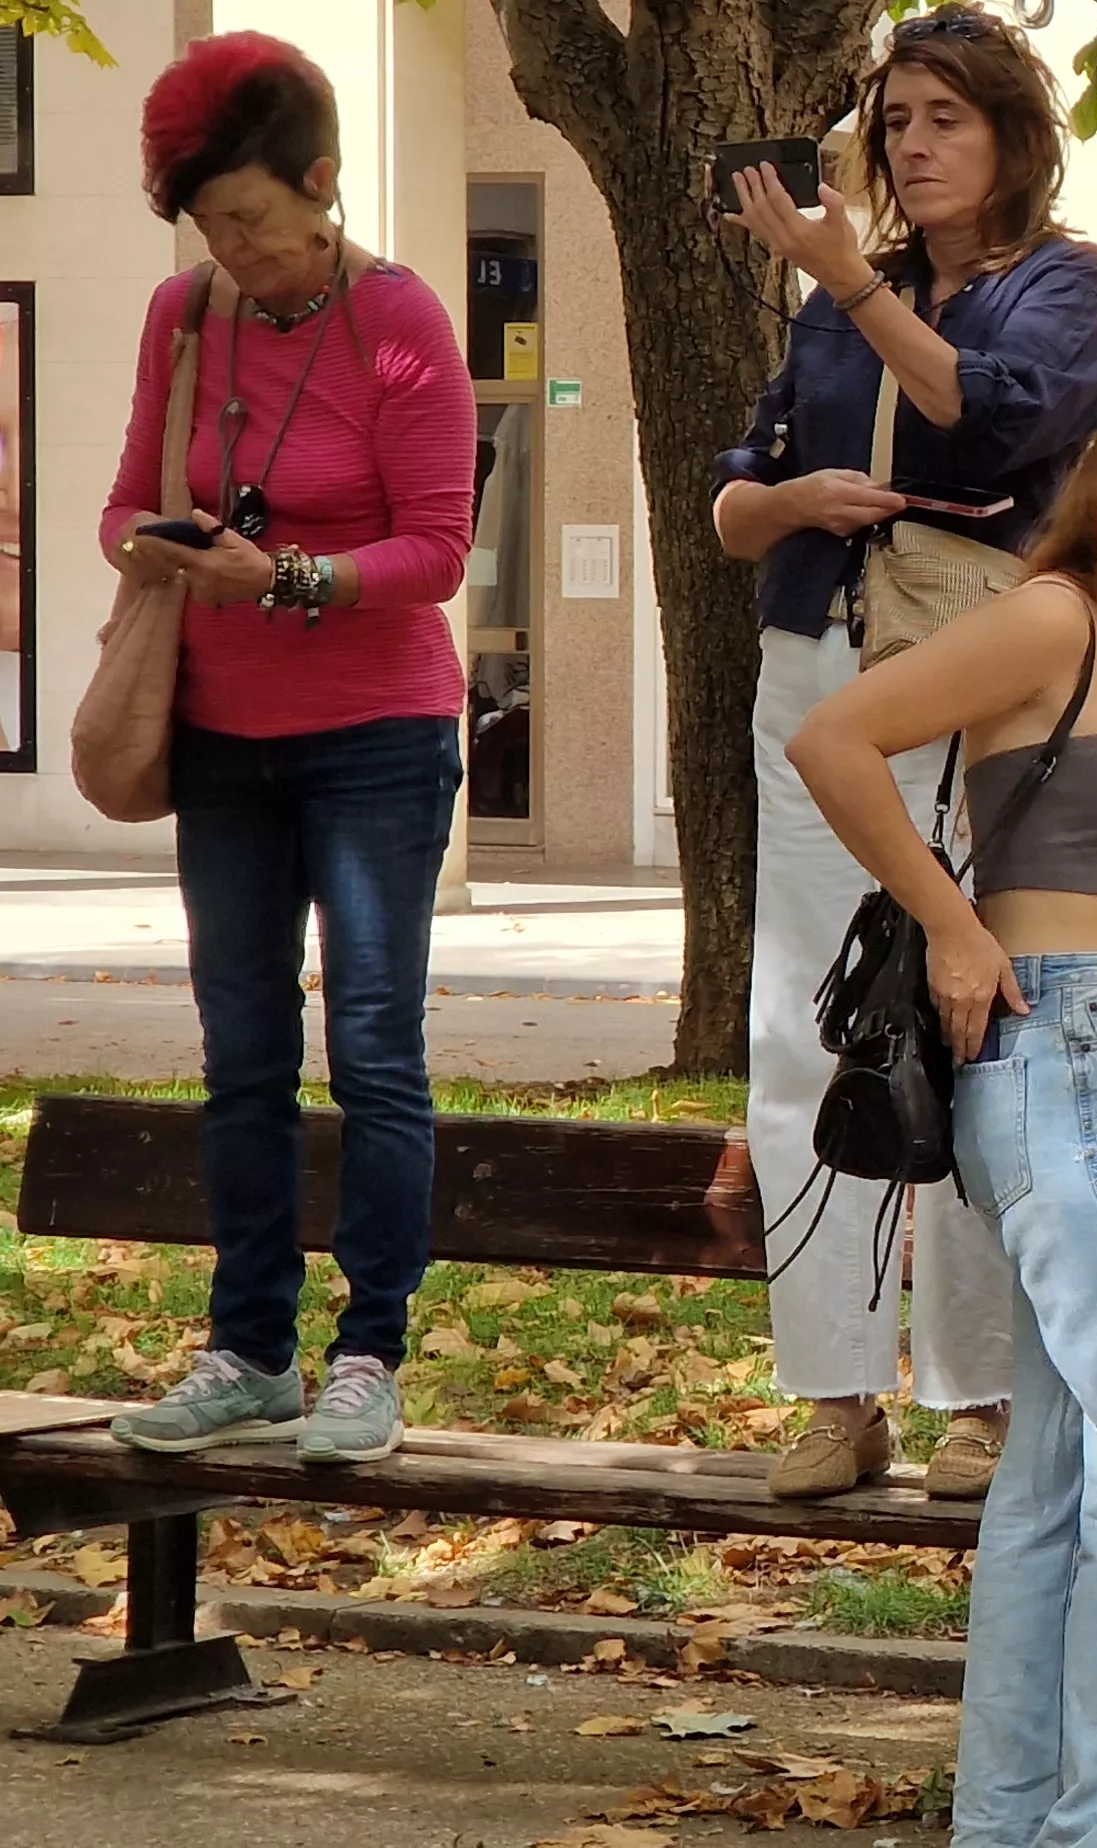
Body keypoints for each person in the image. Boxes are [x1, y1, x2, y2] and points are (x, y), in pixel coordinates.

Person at [789, 386, 1097, 1848]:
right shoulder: (1054, 619)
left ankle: (1011, 1829)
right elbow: (834, 740)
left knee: (1065, 1480)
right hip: (1065, 1054)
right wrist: (950, 925)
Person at [714, 0, 1097, 1501]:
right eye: (897, 122)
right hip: (812, 668)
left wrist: (853, 290)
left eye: (947, 119)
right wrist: (789, 502)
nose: (916, 144)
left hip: (970, 680)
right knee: (800, 1024)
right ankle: (834, 1391)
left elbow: (994, 418)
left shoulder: (1062, 284)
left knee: (967, 1009)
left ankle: (980, 1394)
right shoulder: (842, 293)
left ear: (1015, 139)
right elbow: (731, 498)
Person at [99, 34, 474, 1467]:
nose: (235, 250)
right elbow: (130, 497)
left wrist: (300, 581)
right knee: (241, 1053)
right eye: (212, 227)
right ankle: (249, 1346)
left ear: (323, 183)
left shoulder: (402, 324)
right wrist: (154, 544)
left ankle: (368, 1351)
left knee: (373, 1048)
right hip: (220, 739)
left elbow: (439, 550)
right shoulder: (182, 317)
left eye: (253, 219)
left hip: (375, 734)